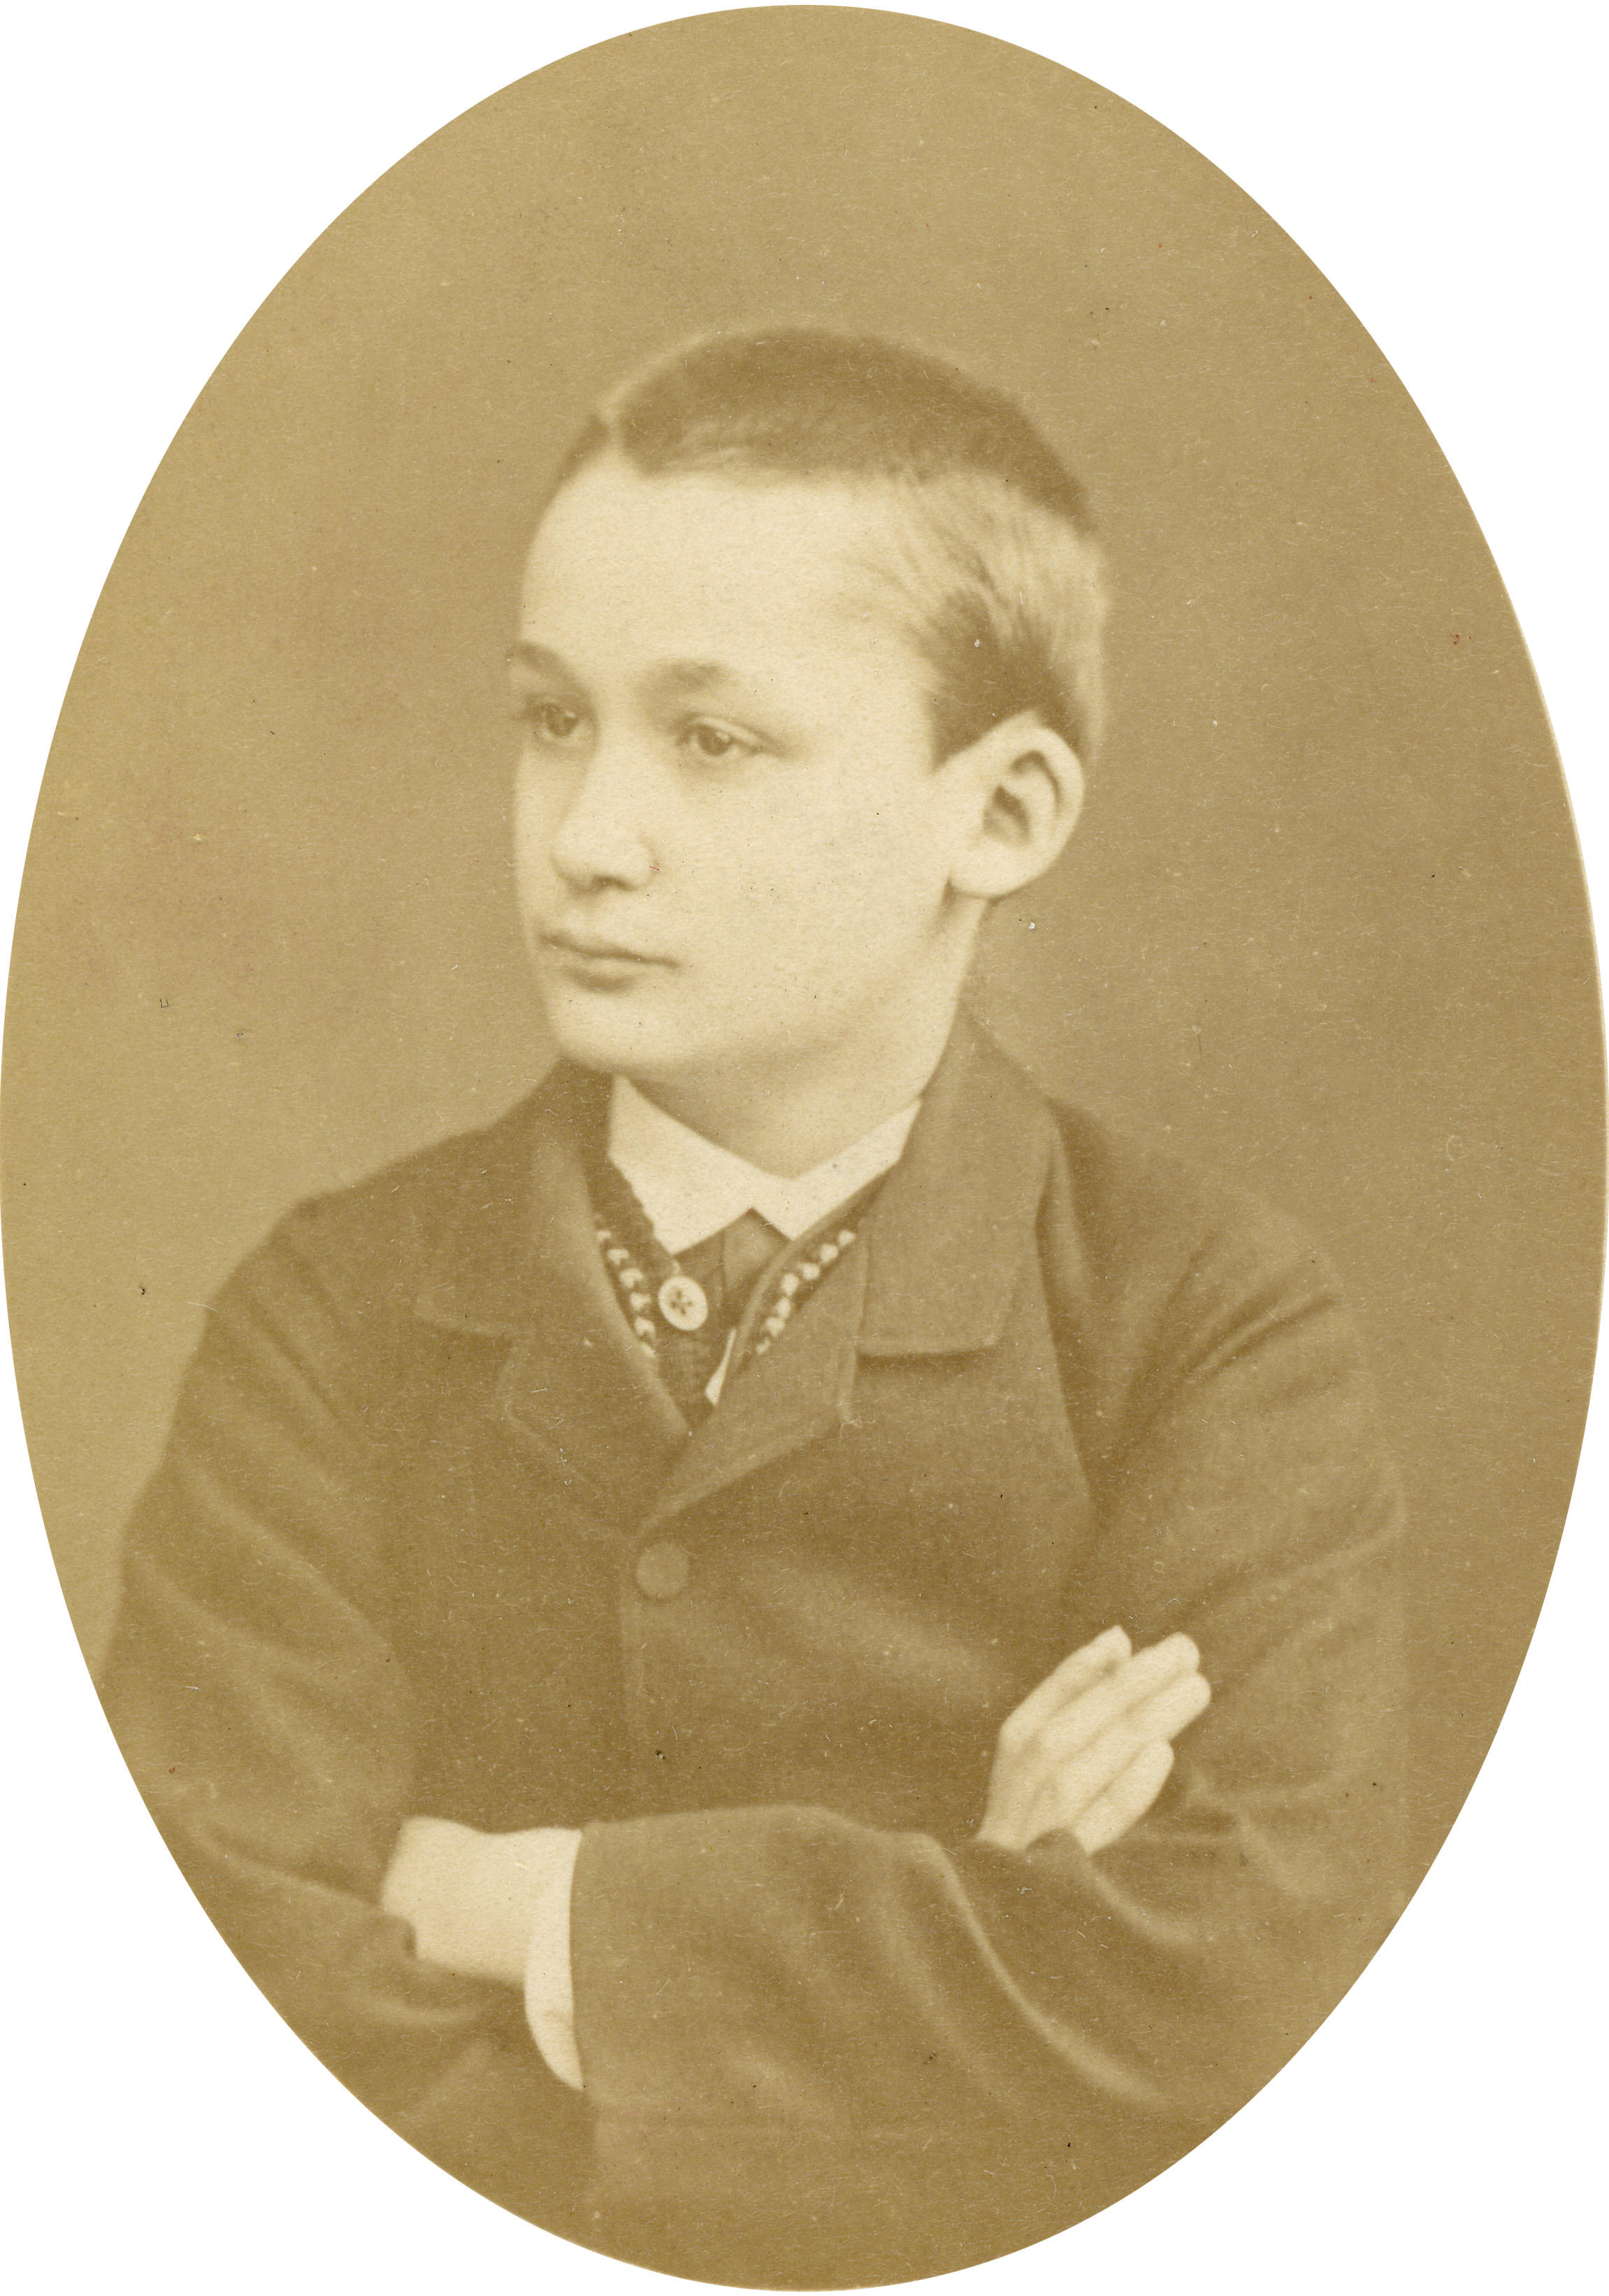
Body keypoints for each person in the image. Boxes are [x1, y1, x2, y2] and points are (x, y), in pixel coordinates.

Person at [99, 330, 1404, 2287]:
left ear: (1004, 812)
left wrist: (523, 1906)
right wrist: (967, 1934)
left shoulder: (1204, 1327)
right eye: (553, 720)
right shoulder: (332, 1316)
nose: (586, 836)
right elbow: (216, 2008)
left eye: (711, 741)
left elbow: (1226, 2000)